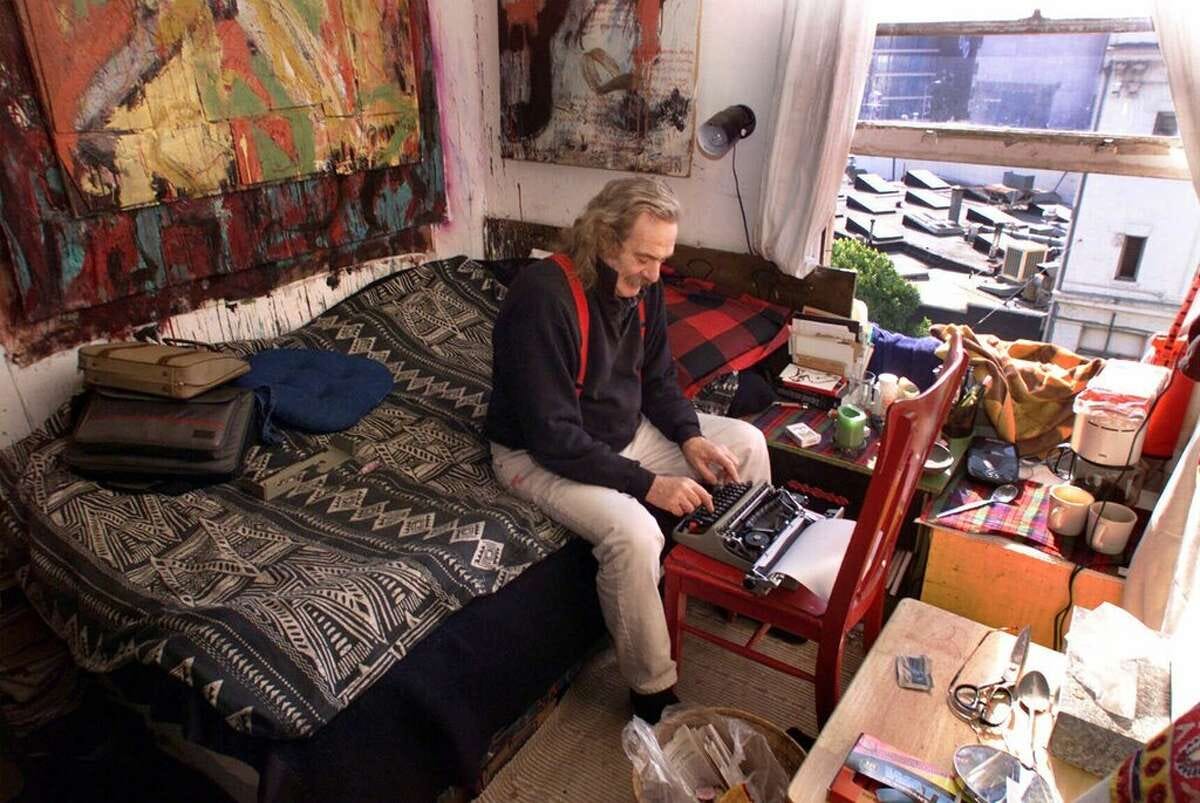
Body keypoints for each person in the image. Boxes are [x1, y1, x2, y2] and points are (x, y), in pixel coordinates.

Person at [485, 176, 771, 723]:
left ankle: (741, 579)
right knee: (635, 533)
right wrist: (649, 485)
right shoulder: (543, 298)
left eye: (663, 259)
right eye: (645, 257)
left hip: (619, 432)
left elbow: (660, 380)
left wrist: (689, 438)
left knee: (747, 444)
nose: (655, 273)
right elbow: (553, 438)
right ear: (604, 238)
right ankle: (652, 692)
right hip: (539, 454)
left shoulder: (644, 286)